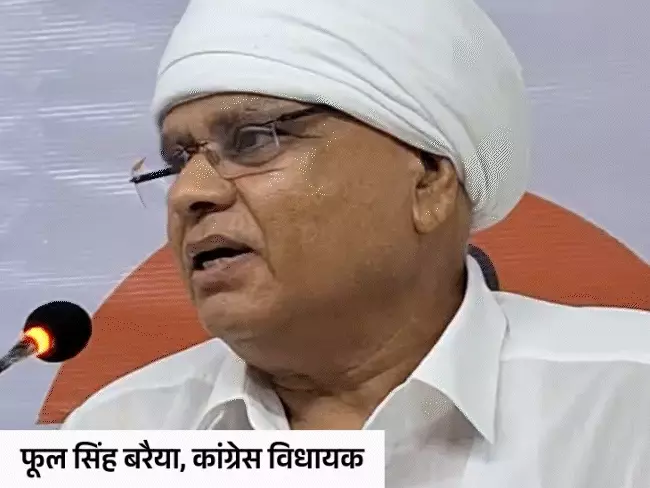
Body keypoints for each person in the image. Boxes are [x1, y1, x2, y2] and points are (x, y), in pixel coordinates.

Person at [62, 0, 650, 486]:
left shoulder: (624, 400)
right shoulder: (116, 436)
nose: (189, 193)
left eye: (253, 139)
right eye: (176, 161)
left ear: (428, 180)